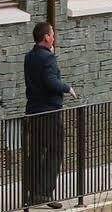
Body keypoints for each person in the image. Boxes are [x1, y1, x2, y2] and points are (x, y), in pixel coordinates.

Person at [22, 21, 74, 209]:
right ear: (46, 37)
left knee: (36, 152)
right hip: (48, 113)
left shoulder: (29, 57)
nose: (54, 37)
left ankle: (31, 192)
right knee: (56, 150)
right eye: (52, 34)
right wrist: (67, 88)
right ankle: (44, 193)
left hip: (32, 112)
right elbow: (51, 82)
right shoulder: (48, 58)